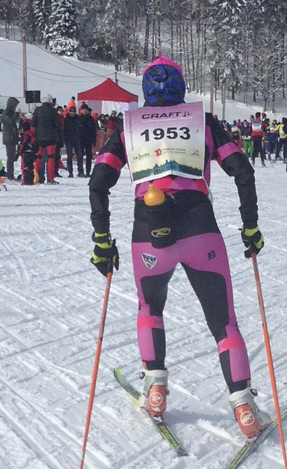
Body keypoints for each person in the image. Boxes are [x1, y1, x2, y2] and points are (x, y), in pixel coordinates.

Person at [88, 55, 269, 439]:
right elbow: (242, 169)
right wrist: (250, 226)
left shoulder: (130, 126)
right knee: (224, 322)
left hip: (149, 234)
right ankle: (244, 408)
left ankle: (155, 389)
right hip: (200, 228)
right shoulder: (201, 122)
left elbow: (99, 180)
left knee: (149, 308)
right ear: (181, 88)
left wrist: (102, 239)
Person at [32, 94, 63, 184]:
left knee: (39, 158)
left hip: (40, 138)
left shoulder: (37, 110)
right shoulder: (53, 111)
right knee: (50, 158)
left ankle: (37, 177)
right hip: (51, 139)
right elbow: (59, 126)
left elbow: (33, 123)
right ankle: (50, 178)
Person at [0, 97, 20, 180]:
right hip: (9, 138)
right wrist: (17, 114)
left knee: (12, 157)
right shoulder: (6, 114)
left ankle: (10, 174)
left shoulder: (10, 113)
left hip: (12, 137)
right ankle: (10, 175)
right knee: (10, 157)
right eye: (15, 105)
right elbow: (11, 122)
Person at [63, 105, 84, 177]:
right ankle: (70, 172)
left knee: (80, 156)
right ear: (69, 112)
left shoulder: (78, 119)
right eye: (71, 111)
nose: (72, 113)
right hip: (69, 139)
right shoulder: (66, 119)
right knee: (69, 156)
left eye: (73, 111)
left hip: (77, 139)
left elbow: (81, 128)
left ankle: (81, 171)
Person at [78, 103, 98, 176]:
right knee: (80, 156)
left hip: (88, 140)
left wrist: (94, 140)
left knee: (88, 157)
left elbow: (94, 131)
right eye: (83, 110)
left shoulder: (91, 119)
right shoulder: (78, 118)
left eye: (86, 110)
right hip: (80, 140)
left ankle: (88, 171)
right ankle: (80, 171)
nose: (84, 111)